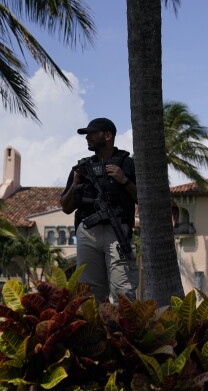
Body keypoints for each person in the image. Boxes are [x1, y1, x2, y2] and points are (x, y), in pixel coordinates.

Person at [60, 118, 139, 303]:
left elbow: (143, 199)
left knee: (123, 290)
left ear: (108, 135)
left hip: (117, 231)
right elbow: (66, 207)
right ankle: (95, 331)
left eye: (92, 133)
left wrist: (124, 180)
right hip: (88, 232)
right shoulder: (81, 167)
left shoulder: (127, 164)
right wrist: (76, 184)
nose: (87, 137)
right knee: (88, 291)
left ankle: (122, 331)